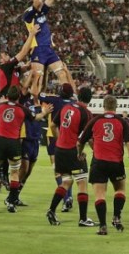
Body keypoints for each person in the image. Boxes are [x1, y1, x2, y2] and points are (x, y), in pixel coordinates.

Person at [78, 94, 129, 236]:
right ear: (116, 107)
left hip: (99, 162)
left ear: (103, 106)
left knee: (100, 195)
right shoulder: (122, 122)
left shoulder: (95, 120)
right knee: (120, 190)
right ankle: (117, 217)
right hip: (116, 162)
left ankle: (103, 226)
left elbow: (81, 141)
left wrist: (79, 153)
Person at [0, 85, 49, 213]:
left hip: (0, 141)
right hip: (14, 143)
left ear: (7, 96)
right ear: (19, 97)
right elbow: (36, 117)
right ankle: (11, 203)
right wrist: (45, 112)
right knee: (14, 173)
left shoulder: (0, 106)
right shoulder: (23, 109)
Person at [45, 84, 95, 227]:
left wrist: (60, 140)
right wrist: (89, 152)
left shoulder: (66, 107)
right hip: (72, 151)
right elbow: (88, 138)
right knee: (82, 182)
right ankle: (83, 218)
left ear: (78, 96)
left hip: (59, 150)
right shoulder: (86, 113)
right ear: (90, 99)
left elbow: (53, 126)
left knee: (66, 181)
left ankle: (51, 210)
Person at [22, 0, 74, 90]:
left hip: (49, 49)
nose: (41, 3)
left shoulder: (41, 12)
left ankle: (67, 98)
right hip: (37, 49)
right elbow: (38, 1)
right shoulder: (28, 15)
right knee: (38, 79)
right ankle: (36, 104)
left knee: (62, 74)